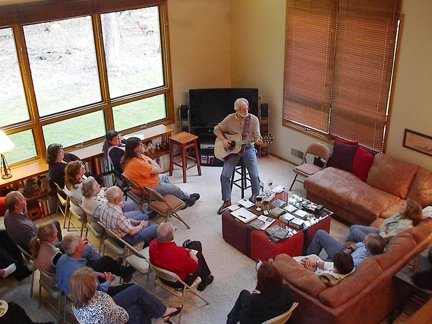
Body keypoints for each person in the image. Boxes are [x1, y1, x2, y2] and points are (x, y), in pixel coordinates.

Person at [69, 267, 183, 324]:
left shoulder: (77, 303)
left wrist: (109, 301)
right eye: (93, 279)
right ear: (89, 287)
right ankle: (161, 313)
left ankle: (163, 311)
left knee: (136, 290)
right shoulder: (101, 309)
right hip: (114, 314)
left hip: (108, 307)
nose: (95, 280)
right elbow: (123, 317)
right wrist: (111, 303)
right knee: (141, 307)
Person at [214, 98, 263, 214]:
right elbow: (217, 129)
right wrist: (224, 140)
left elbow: (257, 136)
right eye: (242, 109)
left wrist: (259, 141)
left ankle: (255, 197)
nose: (245, 111)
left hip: (248, 149)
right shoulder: (230, 119)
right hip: (233, 151)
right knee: (225, 175)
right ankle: (227, 201)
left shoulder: (253, 119)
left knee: (254, 175)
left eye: (247, 108)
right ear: (236, 110)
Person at [122, 137, 200, 207]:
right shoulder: (138, 163)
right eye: (140, 144)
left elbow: (156, 170)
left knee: (165, 177)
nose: (143, 145)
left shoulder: (130, 157)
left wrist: (150, 162)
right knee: (176, 189)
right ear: (135, 149)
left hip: (146, 183)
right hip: (150, 188)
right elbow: (159, 170)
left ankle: (175, 196)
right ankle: (187, 199)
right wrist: (151, 161)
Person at [55, 233, 135, 295]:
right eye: (81, 242)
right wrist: (108, 280)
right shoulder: (84, 273)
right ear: (79, 249)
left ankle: (120, 269)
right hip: (88, 296)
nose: (83, 242)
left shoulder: (62, 258)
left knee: (105, 260)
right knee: (132, 287)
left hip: (70, 289)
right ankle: (124, 271)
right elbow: (101, 289)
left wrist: (98, 274)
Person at [149, 223, 214, 291]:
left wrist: (185, 251)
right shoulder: (177, 254)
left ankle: (187, 246)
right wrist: (190, 252)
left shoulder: (152, 244)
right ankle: (205, 279)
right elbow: (194, 268)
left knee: (192, 246)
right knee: (197, 246)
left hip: (162, 277)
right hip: (179, 282)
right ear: (172, 237)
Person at [226, 261, 293, 324]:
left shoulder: (256, 300)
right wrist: (260, 295)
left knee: (243, 294)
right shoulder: (287, 290)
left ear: (261, 283)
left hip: (257, 320)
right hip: (273, 315)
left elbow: (246, 316)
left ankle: (230, 321)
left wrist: (255, 296)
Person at [347, 199, 424, 243]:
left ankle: (344, 253)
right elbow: (385, 222)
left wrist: (384, 229)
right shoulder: (400, 215)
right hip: (380, 232)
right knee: (353, 227)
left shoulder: (405, 226)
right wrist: (384, 229)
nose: (401, 205)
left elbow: (385, 238)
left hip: (380, 243)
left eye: (403, 205)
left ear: (408, 210)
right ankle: (355, 247)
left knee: (355, 232)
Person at [307, 230, 385, 268]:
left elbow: (343, 267)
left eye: (365, 242)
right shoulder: (370, 247)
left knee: (315, 264)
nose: (363, 242)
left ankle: (307, 260)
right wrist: (350, 248)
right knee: (320, 234)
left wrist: (317, 263)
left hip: (341, 262)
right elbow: (358, 245)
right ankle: (309, 255)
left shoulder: (361, 262)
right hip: (345, 253)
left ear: (368, 250)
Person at [81, 176, 147, 220]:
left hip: (113, 208)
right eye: (96, 185)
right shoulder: (96, 205)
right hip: (115, 218)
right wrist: (118, 206)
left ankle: (145, 216)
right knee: (139, 213)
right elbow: (109, 214)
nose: (99, 185)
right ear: (91, 191)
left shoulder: (86, 197)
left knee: (133, 204)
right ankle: (145, 221)